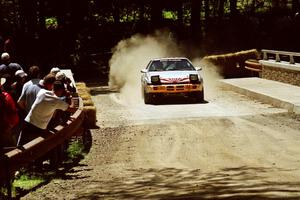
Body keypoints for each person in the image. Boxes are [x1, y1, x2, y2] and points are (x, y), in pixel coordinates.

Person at [18, 80, 76, 145]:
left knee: (20, 146)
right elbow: (72, 109)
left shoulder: (42, 92)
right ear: (61, 90)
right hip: (39, 128)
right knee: (35, 148)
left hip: (27, 122)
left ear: (52, 87)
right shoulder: (57, 101)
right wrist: (70, 97)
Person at [0, 77, 19, 147]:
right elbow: (13, 112)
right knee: (10, 145)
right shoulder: (6, 97)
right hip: (6, 125)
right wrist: (11, 125)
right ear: (1, 87)